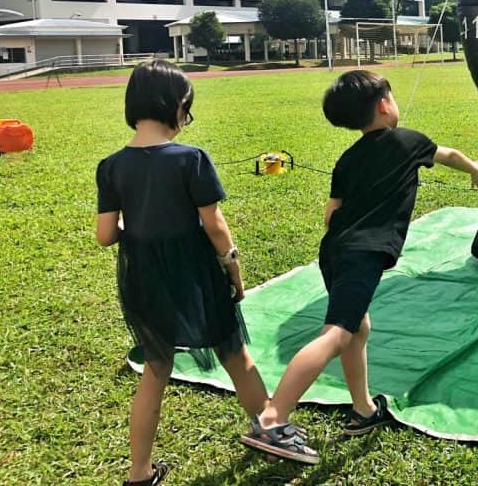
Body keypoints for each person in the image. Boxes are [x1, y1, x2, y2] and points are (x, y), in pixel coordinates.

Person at [243, 69, 478, 457]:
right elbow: (449, 155)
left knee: (358, 329)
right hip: (363, 255)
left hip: (335, 251)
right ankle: (272, 419)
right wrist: (473, 168)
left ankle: (363, 409)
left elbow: (330, 213)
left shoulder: (348, 159)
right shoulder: (410, 142)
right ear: (385, 104)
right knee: (337, 333)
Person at [96, 60, 314, 485]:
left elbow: (106, 235)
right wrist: (233, 266)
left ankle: (139, 472)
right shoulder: (190, 159)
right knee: (234, 354)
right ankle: (269, 428)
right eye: (186, 109)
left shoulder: (111, 166)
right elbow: (214, 225)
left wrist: (142, 228)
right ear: (175, 106)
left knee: (156, 369)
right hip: (196, 272)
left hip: (143, 275)